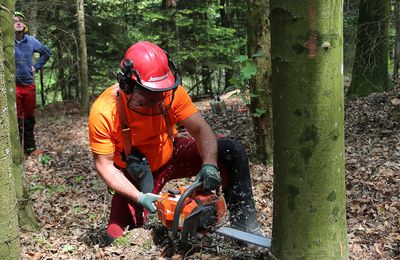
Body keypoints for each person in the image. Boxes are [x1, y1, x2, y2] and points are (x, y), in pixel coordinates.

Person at [88, 41, 260, 246]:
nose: (156, 102)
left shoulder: (171, 92)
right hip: (135, 172)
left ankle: (245, 227)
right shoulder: (104, 111)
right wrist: (138, 196)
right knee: (114, 235)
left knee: (232, 150)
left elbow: (200, 129)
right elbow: (104, 166)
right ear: (128, 85)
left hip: (171, 153)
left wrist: (210, 164)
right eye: (147, 97)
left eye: (159, 95)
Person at [14, 11, 51, 155]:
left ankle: (30, 148)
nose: (18, 22)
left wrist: (36, 67)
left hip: (28, 85)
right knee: (16, 118)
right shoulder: (6, 42)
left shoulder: (30, 40)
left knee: (29, 117)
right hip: (13, 86)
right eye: (15, 21)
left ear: (24, 26)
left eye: (20, 21)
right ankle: (17, 149)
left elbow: (46, 52)